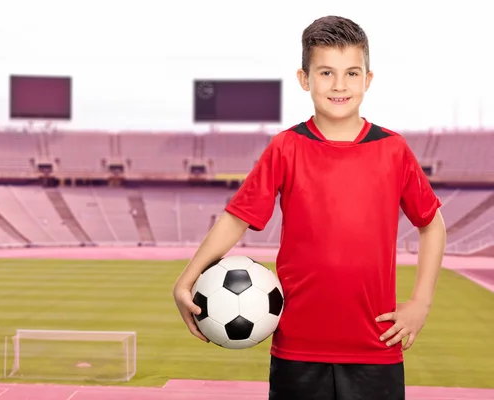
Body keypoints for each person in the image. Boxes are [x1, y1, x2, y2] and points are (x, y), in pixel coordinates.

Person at [173, 15, 447, 400]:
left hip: (376, 349)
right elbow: (237, 218)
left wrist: (421, 302)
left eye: (352, 73)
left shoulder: (393, 149)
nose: (339, 85)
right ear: (305, 79)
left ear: (368, 80)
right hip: (297, 349)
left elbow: (432, 224)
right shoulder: (286, 147)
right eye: (326, 73)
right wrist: (187, 278)